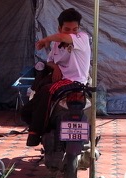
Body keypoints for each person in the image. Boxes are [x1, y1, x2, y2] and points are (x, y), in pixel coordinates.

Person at [21, 7, 91, 146]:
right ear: (59, 28)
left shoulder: (81, 38)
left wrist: (45, 39)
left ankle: (35, 131)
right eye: (67, 29)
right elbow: (50, 61)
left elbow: (63, 37)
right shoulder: (57, 43)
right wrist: (56, 67)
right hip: (62, 77)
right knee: (39, 85)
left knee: (49, 90)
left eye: (74, 29)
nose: (71, 32)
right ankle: (32, 115)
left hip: (75, 81)